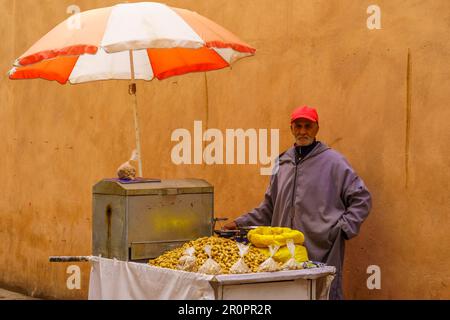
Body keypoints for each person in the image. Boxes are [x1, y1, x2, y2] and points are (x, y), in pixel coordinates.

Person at [224, 105, 372, 300]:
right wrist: (239, 223)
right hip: (284, 252)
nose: (303, 131)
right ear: (291, 128)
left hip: (321, 248)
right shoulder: (282, 162)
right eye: (298, 126)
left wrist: (341, 229)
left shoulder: (334, 162)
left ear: (316, 128)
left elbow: (362, 199)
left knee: (322, 294)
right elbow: (269, 207)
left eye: (308, 126)